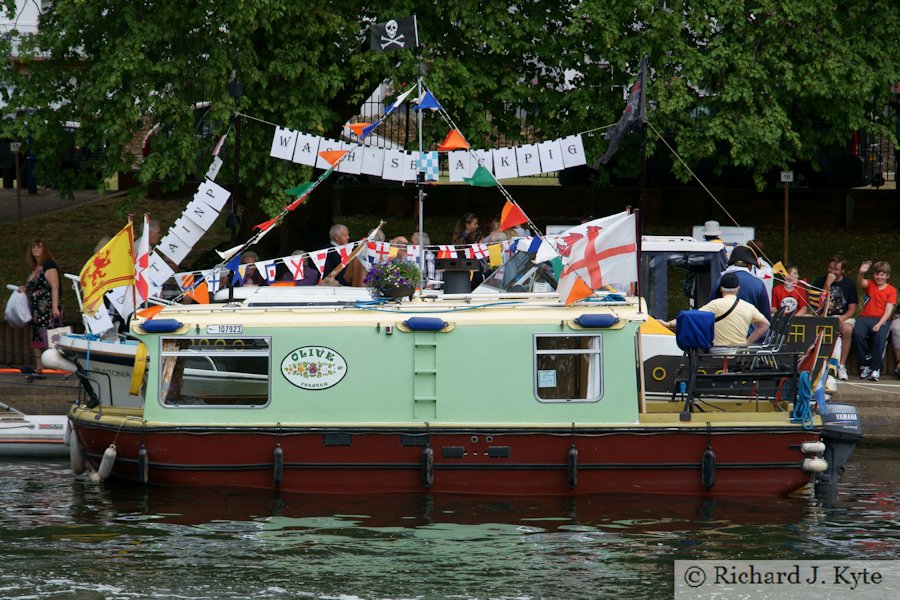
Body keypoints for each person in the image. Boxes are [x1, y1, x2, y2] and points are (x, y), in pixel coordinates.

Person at [665, 273, 769, 347]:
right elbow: (765, 324)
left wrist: (668, 324)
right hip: (739, 354)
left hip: (718, 353)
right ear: (738, 288)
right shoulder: (748, 307)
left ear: (720, 288)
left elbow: (691, 317)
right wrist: (747, 343)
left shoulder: (715, 304)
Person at [809, 255, 858, 381]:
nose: (832, 272)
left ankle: (841, 365)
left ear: (842, 270)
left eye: (836, 269)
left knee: (847, 330)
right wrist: (827, 285)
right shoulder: (819, 281)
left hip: (843, 316)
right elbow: (817, 306)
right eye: (830, 268)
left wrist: (842, 319)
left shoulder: (849, 284)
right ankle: (821, 365)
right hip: (823, 315)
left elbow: (852, 309)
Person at [20, 239, 62, 370]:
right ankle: (39, 367)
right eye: (33, 247)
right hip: (36, 309)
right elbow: (33, 287)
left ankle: (56, 365)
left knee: (49, 336)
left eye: (38, 247)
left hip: (47, 307)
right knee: (36, 336)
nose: (35, 250)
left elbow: (55, 286)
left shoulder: (48, 266)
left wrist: (55, 307)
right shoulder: (35, 269)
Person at [851, 261, 896, 381]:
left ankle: (875, 368)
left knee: (879, 338)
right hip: (865, 317)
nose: (879, 277)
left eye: (882, 275)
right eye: (877, 274)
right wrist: (861, 272)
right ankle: (866, 365)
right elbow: (861, 281)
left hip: (881, 319)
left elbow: (888, 311)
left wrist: (880, 324)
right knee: (858, 334)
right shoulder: (870, 284)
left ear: (887, 276)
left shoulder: (891, 290)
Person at [709, 244, 771, 322]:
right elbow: (765, 316)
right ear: (750, 265)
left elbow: (711, 310)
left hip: (724, 331)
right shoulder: (758, 284)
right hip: (751, 332)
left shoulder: (720, 280)